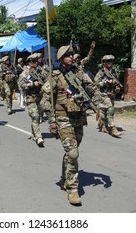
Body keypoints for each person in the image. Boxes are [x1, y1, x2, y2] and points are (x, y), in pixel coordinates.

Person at [44, 44, 102, 205]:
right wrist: (52, 121)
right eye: (68, 54)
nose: (71, 56)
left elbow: (92, 88)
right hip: (63, 119)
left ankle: (65, 178)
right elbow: (45, 100)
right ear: (61, 58)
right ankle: (72, 189)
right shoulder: (55, 76)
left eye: (72, 54)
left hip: (79, 118)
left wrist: (99, 106)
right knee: (73, 153)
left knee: (71, 153)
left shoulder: (79, 73)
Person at [18, 53, 44, 147]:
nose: (36, 63)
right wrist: (33, 84)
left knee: (38, 117)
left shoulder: (40, 71)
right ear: (29, 62)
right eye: (34, 61)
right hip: (30, 98)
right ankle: (38, 137)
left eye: (37, 61)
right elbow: (21, 85)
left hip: (40, 98)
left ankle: (34, 134)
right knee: (35, 116)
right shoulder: (25, 73)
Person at [94, 55, 123, 138]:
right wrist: (105, 82)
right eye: (107, 61)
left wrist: (117, 88)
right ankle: (113, 128)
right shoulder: (101, 73)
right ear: (104, 63)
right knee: (110, 109)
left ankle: (103, 125)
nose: (109, 62)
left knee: (106, 113)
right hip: (102, 94)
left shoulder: (114, 72)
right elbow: (95, 84)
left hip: (111, 94)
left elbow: (117, 84)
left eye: (110, 61)